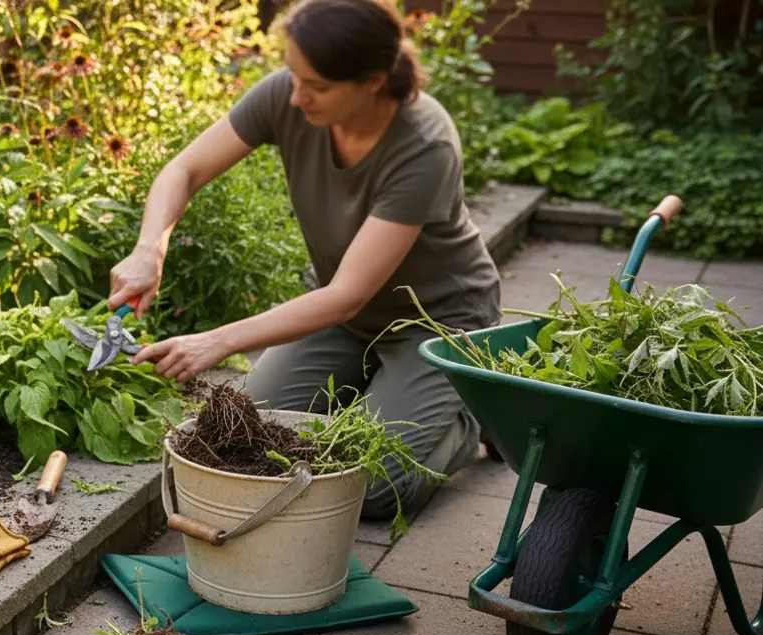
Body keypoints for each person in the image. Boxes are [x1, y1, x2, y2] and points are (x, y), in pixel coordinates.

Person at [106, 0, 500, 522]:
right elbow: (184, 171)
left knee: (371, 486)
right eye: (293, 75)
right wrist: (148, 249)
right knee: (244, 440)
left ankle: (470, 418)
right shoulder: (289, 95)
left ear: (374, 80)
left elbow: (347, 295)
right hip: (342, 322)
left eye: (316, 85)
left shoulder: (425, 145)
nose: (295, 95)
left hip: (435, 322)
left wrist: (215, 341)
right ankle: (383, 397)